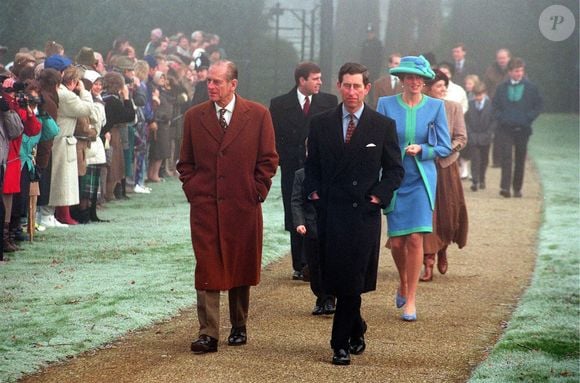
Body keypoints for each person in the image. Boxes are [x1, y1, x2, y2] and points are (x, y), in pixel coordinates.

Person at [304, 62, 404, 365]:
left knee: (352, 278)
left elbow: (395, 170)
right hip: (331, 212)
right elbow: (312, 166)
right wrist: (315, 192)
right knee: (335, 277)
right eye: (346, 85)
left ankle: (340, 343)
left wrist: (377, 196)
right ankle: (357, 327)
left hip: (363, 214)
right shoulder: (321, 123)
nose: (351, 91)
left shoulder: (381, 125)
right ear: (339, 86)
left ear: (367, 88)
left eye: (357, 86)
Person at [177, 60, 278, 354]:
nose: (211, 86)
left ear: (233, 84)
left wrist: (256, 189)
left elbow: (269, 158)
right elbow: (186, 162)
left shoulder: (258, 115)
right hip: (205, 207)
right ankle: (208, 332)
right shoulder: (194, 117)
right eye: (208, 80)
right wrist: (194, 190)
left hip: (242, 204)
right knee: (207, 265)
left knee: (239, 262)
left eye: (217, 82)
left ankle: (239, 324)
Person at [376, 56, 452, 321]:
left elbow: (445, 146)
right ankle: (403, 280)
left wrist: (423, 149)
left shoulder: (435, 107)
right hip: (394, 179)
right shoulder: (384, 105)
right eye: (409, 77)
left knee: (416, 238)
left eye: (419, 77)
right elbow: (377, 142)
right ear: (402, 79)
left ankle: (411, 300)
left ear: (425, 80)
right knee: (397, 242)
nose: (415, 82)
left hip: (421, 179)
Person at [269, 61, 337, 280]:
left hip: (320, 168)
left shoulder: (329, 102)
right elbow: (273, 137)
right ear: (302, 80)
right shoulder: (279, 104)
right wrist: (282, 159)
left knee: (319, 212)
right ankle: (300, 264)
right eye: (315, 78)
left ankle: (317, 261)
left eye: (320, 78)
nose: (320, 82)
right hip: (291, 168)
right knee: (294, 211)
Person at [420, 69, 468, 282]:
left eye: (444, 86)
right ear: (428, 88)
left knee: (447, 214)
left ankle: (443, 249)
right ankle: (427, 262)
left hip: (447, 167)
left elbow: (461, 137)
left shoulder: (453, 108)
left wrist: (449, 147)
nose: (443, 90)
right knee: (427, 214)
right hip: (423, 166)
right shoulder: (419, 107)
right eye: (439, 86)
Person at [290, 140, 335, 316]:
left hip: (332, 228)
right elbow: (296, 201)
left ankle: (330, 299)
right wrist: (299, 222)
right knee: (314, 267)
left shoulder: (334, 173)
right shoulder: (301, 175)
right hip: (311, 228)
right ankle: (320, 297)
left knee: (331, 264)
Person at [492, 57, 542, 198]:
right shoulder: (501, 88)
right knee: (506, 158)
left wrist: (528, 118)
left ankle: (517, 188)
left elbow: (538, 105)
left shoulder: (531, 87)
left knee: (520, 159)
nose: (519, 73)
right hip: (505, 128)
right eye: (516, 71)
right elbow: (494, 106)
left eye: (521, 71)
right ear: (509, 72)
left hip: (523, 129)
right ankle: (505, 187)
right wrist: (501, 117)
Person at [465, 83, 495, 192]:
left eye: (480, 95)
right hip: (473, 136)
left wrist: (489, 133)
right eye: (476, 95)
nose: (478, 97)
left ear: (484, 93)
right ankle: (475, 181)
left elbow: (493, 121)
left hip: (485, 137)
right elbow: (466, 121)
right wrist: (470, 133)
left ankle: (482, 178)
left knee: (484, 159)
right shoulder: (470, 104)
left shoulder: (490, 105)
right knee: (475, 159)